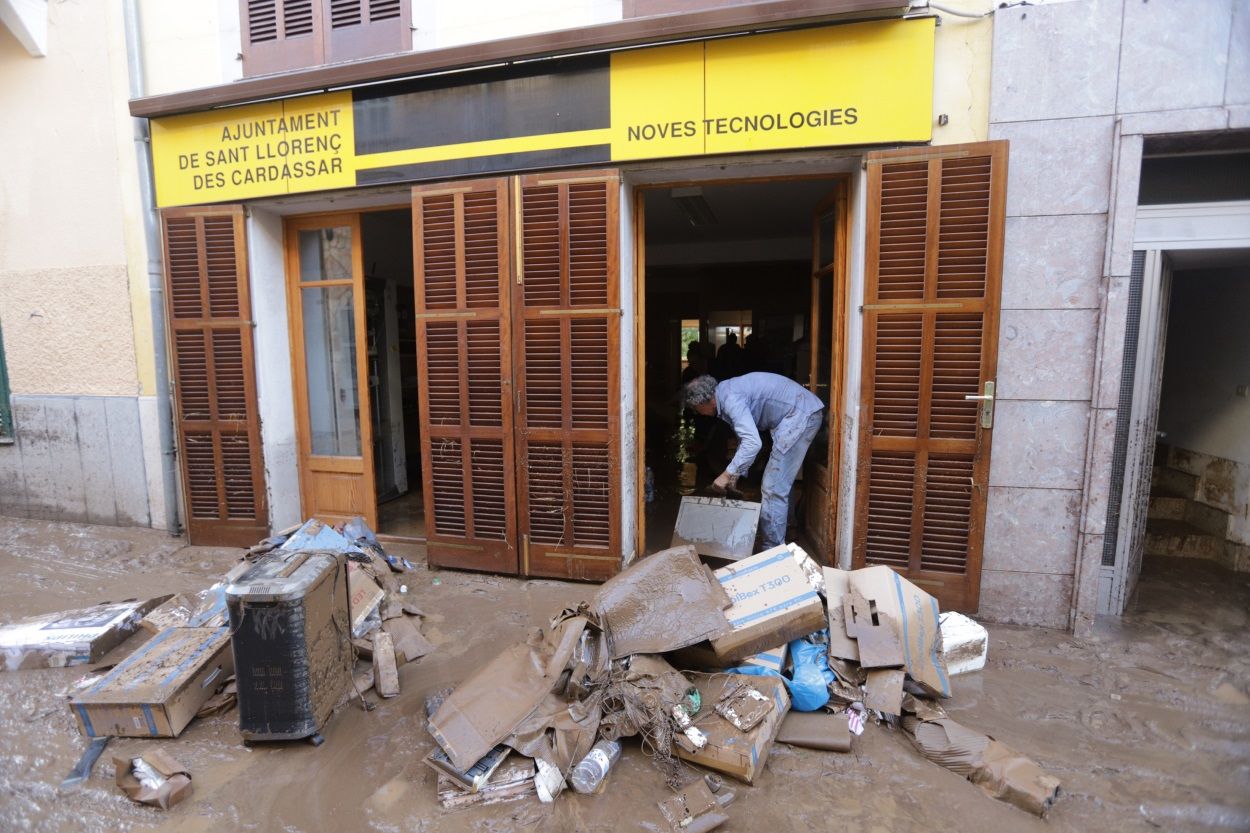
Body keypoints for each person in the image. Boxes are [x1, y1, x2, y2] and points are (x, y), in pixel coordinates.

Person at [682, 372, 824, 550]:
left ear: (704, 402)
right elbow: (744, 438)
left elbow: (752, 443)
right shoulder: (724, 392)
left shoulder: (731, 400)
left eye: (696, 409)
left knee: (772, 488)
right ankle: (788, 529)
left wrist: (726, 475)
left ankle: (773, 551)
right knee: (780, 483)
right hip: (800, 412)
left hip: (800, 415)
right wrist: (737, 474)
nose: (698, 413)